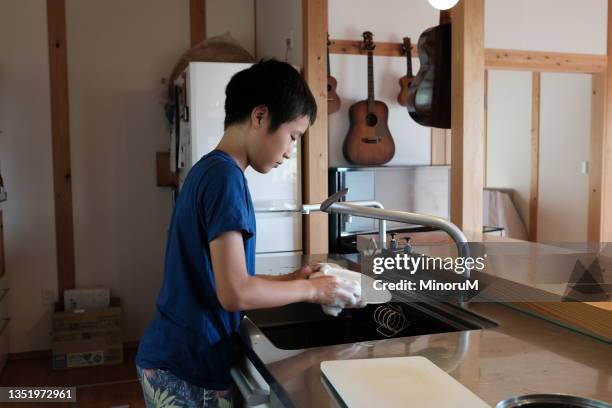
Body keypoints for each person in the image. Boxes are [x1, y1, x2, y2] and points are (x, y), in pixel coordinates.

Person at [135, 59, 359, 408]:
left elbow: (225, 278)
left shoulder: (210, 170)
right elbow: (234, 293)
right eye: (293, 136)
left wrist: (291, 280)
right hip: (186, 365)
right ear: (259, 116)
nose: (290, 151)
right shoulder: (225, 179)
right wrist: (315, 289)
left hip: (176, 356)